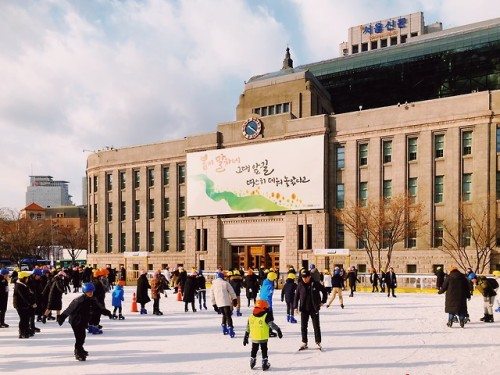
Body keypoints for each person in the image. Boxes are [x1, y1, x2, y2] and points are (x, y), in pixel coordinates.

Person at [57, 282, 112, 361]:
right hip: (75, 320)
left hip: (84, 320)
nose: (90, 293)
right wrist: (62, 317)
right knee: (79, 337)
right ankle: (78, 352)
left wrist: (108, 313)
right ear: (85, 292)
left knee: (82, 336)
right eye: (88, 292)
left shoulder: (93, 299)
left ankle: (80, 348)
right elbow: (69, 309)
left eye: (91, 292)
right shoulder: (78, 300)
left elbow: (99, 308)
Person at [243, 300, 283, 371]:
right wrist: (278, 330)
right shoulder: (265, 316)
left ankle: (252, 360)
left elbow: (248, 327)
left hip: (254, 337)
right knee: (264, 349)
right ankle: (264, 362)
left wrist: (246, 337)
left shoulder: (251, 316)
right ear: (264, 308)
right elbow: (272, 325)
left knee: (254, 349)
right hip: (263, 337)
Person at [294, 268, 327, 350]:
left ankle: (318, 342)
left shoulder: (315, 284)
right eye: (303, 277)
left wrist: (323, 301)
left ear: (309, 276)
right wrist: (295, 307)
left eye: (306, 277)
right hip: (304, 308)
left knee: (316, 326)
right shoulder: (300, 285)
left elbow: (324, 291)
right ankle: (304, 342)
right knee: (303, 326)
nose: (304, 279)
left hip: (314, 308)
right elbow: (296, 296)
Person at [210, 271, 237, 337]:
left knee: (224, 314)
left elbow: (212, 296)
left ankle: (224, 326)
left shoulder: (213, 285)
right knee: (228, 315)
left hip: (219, 303)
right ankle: (230, 328)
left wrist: (214, 305)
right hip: (226, 302)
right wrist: (234, 299)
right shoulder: (226, 283)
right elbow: (232, 292)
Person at [13, 271, 36, 339]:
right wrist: (31, 303)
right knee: (23, 319)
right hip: (20, 305)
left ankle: (26, 330)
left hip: (24, 305)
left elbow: (27, 293)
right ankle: (22, 332)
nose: (28, 279)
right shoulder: (19, 286)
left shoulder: (23, 284)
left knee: (26, 318)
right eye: (27, 278)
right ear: (23, 278)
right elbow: (24, 297)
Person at [259, 270, 278, 337]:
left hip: (261, 302)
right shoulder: (270, 286)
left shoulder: (264, 282)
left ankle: (265, 330)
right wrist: (269, 305)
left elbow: (261, 293)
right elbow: (268, 295)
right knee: (269, 318)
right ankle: (268, 331)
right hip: (266, 303)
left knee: (264, 317)